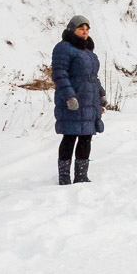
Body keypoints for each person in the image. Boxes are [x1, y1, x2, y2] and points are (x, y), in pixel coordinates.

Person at [53, 15, 104, 185]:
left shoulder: (88, 52)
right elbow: (60, 74)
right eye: (81, 29)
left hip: (89, 101)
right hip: (73, 100)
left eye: (87, 29)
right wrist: (69, 96)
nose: (85, 32)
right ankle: (64, 176)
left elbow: (93, 77)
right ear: (71, 30)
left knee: (86, 137)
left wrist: (101, 93)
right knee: (70, 136)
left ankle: (81, 175)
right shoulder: (64, 48)